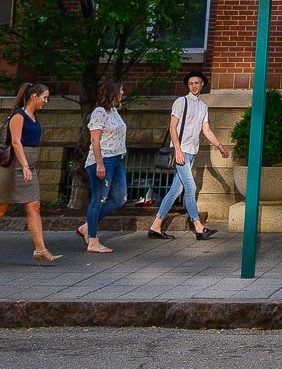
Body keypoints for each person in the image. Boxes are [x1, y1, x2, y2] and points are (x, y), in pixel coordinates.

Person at [0, 82, 60, 266]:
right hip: (14, 165)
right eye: (44, 97)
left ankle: (40, 249)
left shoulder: (34, 116)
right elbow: (15, 142)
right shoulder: (18, 116)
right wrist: (24, 166)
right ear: (33, 96)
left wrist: (29, 166)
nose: (46, 101)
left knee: (33, 206)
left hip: (29, 164)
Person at [150, 70, 231, 240]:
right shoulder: (181, 101)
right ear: (188, 86)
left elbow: (206, 130)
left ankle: (155, 226)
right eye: (191, 83)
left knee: (175, 191)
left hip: (191, 153)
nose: (194, 86)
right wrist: (178, 150)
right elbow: (172, 127)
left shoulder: (203, 106)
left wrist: (220, 146)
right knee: (191, 188)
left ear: (202, 84)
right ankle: (199, 227)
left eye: (197, 83)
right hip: (181, 152)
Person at [78, 77, 130, 253]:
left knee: (120, 198)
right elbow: (95, 139)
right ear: (113, 91)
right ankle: (93, 241)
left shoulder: (113, 111)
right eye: (121, 89)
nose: (123, 92)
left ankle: (87, 227)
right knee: (99, 199)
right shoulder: (99, 112)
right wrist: (99, 164)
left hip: (116, 160)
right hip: (102, 161)